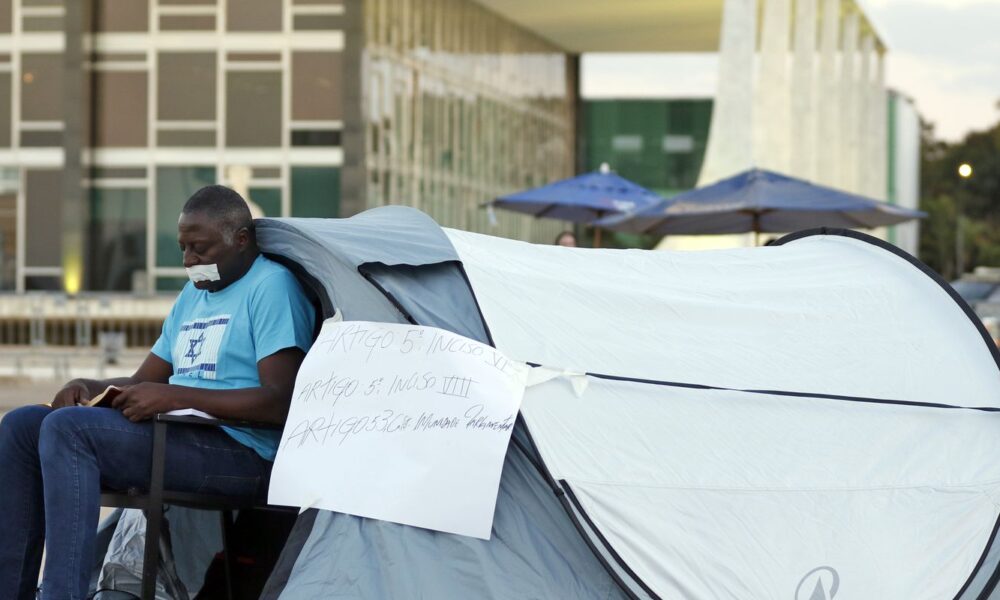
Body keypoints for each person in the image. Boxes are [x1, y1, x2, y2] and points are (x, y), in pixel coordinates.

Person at [0, 185, 316, 600]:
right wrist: (91, 387)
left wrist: (178, 397)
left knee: (70, 431)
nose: (189, 262)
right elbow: (146, 378)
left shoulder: (271, 287)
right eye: (183, 249)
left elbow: (279, 402)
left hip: (243, 453)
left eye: (200, 249)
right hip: (180, 433)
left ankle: (62, 594)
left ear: (240, 240)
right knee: (22, 425)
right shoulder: (194, 294)